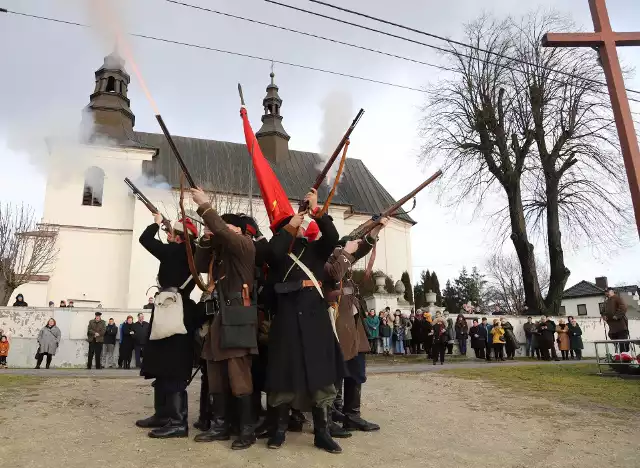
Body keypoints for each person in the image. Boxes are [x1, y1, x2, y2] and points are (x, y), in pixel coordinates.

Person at [264, 188, 344, 454]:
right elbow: (272, 254)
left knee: (320, 376)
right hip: (286, 319)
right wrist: (289, 227)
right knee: (283, 376)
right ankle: (278, 431)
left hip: (314, 317)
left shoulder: (315, 249)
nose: (300, 227)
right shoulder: (278, 251)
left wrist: (317, 209)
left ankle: (322, 432)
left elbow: (332, 237)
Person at [190, 189, 258, 450]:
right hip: (219, 317)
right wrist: (206, 240)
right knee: (215, 372)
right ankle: (219, 425)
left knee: (239, 376)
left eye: (227, 226)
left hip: (238, 316)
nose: (222, 229)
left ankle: (246, 429)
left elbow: (222, 229)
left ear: (239, 230)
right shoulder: (221, 253)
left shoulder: (244, 246)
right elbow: (197, 266)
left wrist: (205, 206)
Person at [135, 213, 200, 439]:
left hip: (173, 310)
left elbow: (145, 239)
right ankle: (163, 415)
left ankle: (177, 421)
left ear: (179, 236)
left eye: (172, 233)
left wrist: (155, 222)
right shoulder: (190, 253)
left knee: (171, 366)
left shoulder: (176, 251)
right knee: (163, 364)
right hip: (173, 308)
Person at [324, 226, 386, 435]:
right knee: (335, 375)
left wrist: (374, 233)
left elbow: (361, 250)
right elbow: (333, 275)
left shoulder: (346, 266)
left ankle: (352, 416)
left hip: (354, 327)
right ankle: (330, 417)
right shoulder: (331, 263)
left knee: (357, 373)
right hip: (338, 327)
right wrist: (345, 252)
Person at [603, 287, 629, 352]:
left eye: (608, 291)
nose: (607, 293)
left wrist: (617, 316)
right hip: (612, 326)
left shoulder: (617, 298)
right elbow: (604, 311)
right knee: (613, 338)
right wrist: (604, 316)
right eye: (606, 292)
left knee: (622, 342)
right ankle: (618, 356)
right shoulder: (606, 301)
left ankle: (625, 357)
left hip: (620, 325)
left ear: (612, 291)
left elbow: (623, 307)